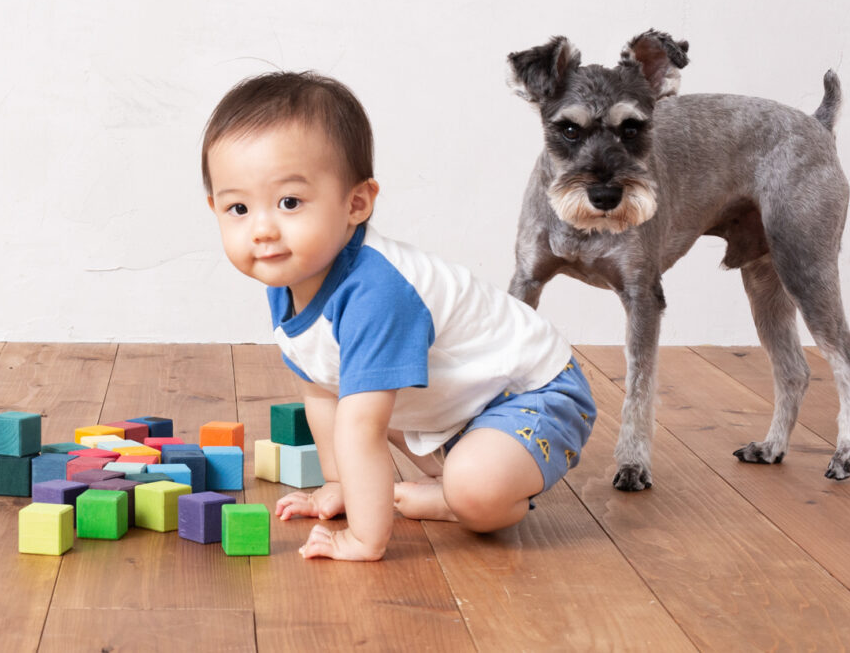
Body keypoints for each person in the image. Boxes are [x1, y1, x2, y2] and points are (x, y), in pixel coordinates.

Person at [202, 71, 596, 561]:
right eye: (237, 208)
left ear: (356, 203)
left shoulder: (378, 293)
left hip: (533, 393)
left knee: (469, 484)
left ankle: (466, 498)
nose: (261, 230)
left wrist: (364, 537)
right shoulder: (290, 274)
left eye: (289, 203)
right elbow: (322, 388)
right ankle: (453, 478)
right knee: (352, 404)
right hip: (456, 406)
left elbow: (361, 428)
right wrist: (339, 482)